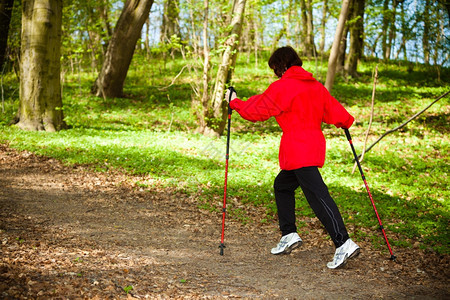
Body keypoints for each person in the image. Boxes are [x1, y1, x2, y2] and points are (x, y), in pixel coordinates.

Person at [225, 46, 360, 269]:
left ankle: (343, 242)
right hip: (312, 145)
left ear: (282, 65)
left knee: (318, 196)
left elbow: (257, 109)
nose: (276, 74)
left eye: (275, 69)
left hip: (298, 148)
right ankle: (289, 235)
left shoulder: (284, 87)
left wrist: (235, 102)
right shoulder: (315, 86)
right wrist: (344, 122)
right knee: (282, 186)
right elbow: (335, 111)